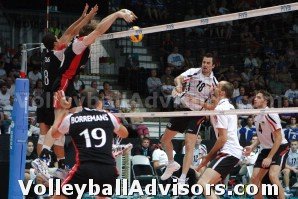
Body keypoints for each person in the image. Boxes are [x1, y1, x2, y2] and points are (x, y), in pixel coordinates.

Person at [36, 4, 97, 168]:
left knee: (51, 133)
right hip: (58, 90)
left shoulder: (45, 55)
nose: (60, 39)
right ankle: (46, 161)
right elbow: (70, 32)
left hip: (45, 94)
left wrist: (83, 17)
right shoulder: (58, 51)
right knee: (58, 129)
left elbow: (70, 32)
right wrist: (85, 18)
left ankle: (57, 163)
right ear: (55, 43)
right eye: (58, 39)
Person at [51, 88, 129, 198]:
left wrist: (62, 111)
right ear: (99, 102)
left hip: (85, 168)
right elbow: (124, 134)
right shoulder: (108, 116)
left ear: (80, 103)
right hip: (108, 169)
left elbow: (54, 134)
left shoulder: (72, 119)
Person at [160, 53, 218, 186]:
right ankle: (171, 163)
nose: (205, 65)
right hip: (183, 108)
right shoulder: (193, 72)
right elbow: (177, 79)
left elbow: (212, 106)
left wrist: (199, 102)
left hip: (197, 114)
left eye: (208, 63)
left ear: (213, 66)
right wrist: (179, 85)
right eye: (204, 62)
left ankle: (183, 178)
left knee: (189, 144)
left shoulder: (214, 83)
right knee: (164, 139)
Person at [196, 81, 243, 199]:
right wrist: (192, 99)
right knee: (207, 185)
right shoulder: (228, 106)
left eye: (217, 86)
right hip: (231, 152)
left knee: (203, 184)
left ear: (222, 92)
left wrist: (206, 159)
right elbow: (211, 107)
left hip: (228, 152)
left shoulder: (221, 109)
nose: (214, 86)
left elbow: (223, 138)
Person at [244, 90, 289, 199]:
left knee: (273, 175)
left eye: (259, 97)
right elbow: (261, 136)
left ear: (266, 101)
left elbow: (279, 138)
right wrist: (252, 146)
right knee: (255, 180)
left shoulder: (270, 114)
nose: (255, 99)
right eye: (255, 97)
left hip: (280, 147)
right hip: (266, 149)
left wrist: (269, 157)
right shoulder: (257, 115)